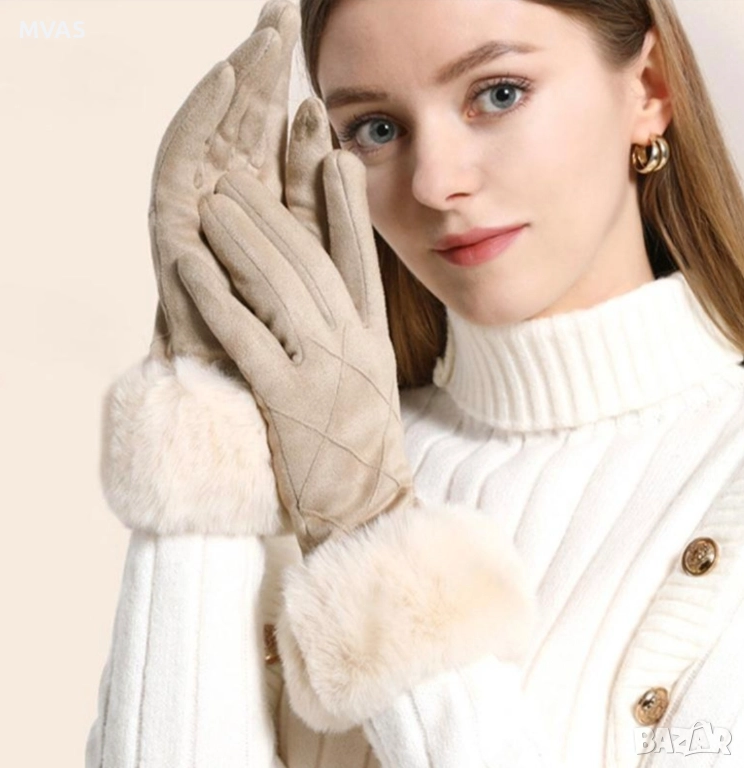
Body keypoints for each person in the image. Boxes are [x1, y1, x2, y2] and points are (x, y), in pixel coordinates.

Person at [85, 0, 744, 765]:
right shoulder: (301, 460)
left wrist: (371, 530)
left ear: (649, 88)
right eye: (376, 129)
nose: (434, 182)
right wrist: (214, 403)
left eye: (498, 93)